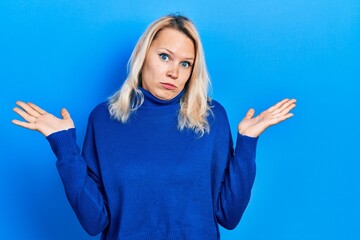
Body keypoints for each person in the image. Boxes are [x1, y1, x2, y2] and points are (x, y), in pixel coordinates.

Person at [12, 14, 296, 240]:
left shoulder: (211, 117)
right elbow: (94, 221)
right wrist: (64, 147)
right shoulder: (104, 119)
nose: (174, 72)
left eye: (186, 64)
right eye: (164, 57)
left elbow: (229, 216)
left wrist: (247, 143)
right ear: (143, 54)